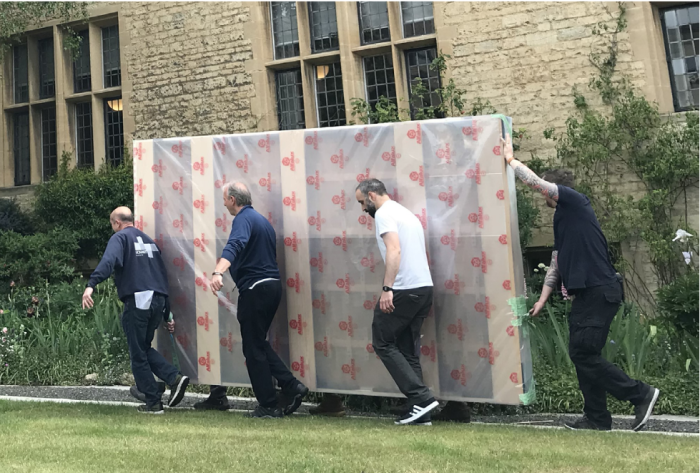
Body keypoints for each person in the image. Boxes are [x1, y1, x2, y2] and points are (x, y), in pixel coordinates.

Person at [502, 134, 659, 431]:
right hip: (586, 295)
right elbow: (557, 262)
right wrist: (542, 299)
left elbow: (538, 183)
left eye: (547, 191)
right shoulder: (563, 218)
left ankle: (641, 394)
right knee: (585, 354)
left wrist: (511, 160)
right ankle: (597, 418)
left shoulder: (575, 202)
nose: (542, 197)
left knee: (581, 353)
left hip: (599, 290)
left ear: (557, 189)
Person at [209, 182, 308, 418]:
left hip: (255, 289)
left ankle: (269, 404)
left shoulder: (243, 220)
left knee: (253, 348)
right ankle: (291, 386)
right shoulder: (263, 221)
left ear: (233, 199)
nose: (223, 204)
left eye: (224, 199)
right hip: (271, 287)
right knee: (258, 343)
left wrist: (218, 271)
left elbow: (236, 244)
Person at [82, 207, 189, 414]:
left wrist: (91, 284)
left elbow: (108, 261)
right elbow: (160, 278)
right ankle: (168, 382)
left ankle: (156, 398)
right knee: (143, 348)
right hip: (158, 301)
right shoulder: (150, 242)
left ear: (116, 223)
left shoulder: (120, 238)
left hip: (138, 301)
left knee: (137, 353)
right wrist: (167, 314)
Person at [355, 178, 439, 426]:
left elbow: (394, 250)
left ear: (371, 195)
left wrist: (387, 289)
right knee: (405, 347)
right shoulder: (405, 212)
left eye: (362, 202)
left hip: (404, 289)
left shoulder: (384, 213)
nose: (362, 209)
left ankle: (421, 398)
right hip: (423, 288)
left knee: (382, 342)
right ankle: (420, 410)